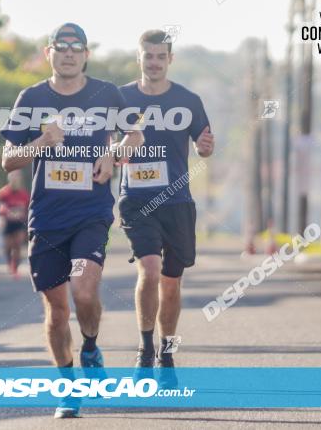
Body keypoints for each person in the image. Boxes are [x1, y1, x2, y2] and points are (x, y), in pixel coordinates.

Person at [0, 22, 142, 419]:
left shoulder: (106, 94)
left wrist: (112, 154)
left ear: (85, 54)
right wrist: (40, 143)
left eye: (75, 47)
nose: (68, 53)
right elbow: (8, 160)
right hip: (46, 218)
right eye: (60, 47)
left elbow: (136, 136)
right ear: (49, 53)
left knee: (83, 291)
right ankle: (67, 387)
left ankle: (91, 346)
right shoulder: (31, 98)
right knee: (57, 309)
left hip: (91, 215)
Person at [118, 29, 214, 387]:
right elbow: (109, 151)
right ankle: (144, 351)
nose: (154, 62)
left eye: (160, 56)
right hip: (137, 200)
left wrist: (205, 148)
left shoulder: (188, 100)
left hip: (177, 201)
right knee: (150, 270)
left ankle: (166, 353)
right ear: (138, 58)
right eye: (148, 56)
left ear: (170, 59)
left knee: (171, 284)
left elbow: (204, 146)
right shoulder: (120, 99)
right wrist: (121, 148)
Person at [0, 170, 30, 278]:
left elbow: (28, 208)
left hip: (19, 223)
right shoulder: (3, 192)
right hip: (7, 223)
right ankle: (9, 263)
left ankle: (15, 267)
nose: (15, 179)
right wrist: (2, 217)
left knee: (18, 245)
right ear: (9, 179)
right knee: (8, 246)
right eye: (13, 177)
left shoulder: (24, 194)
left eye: (17, 177)